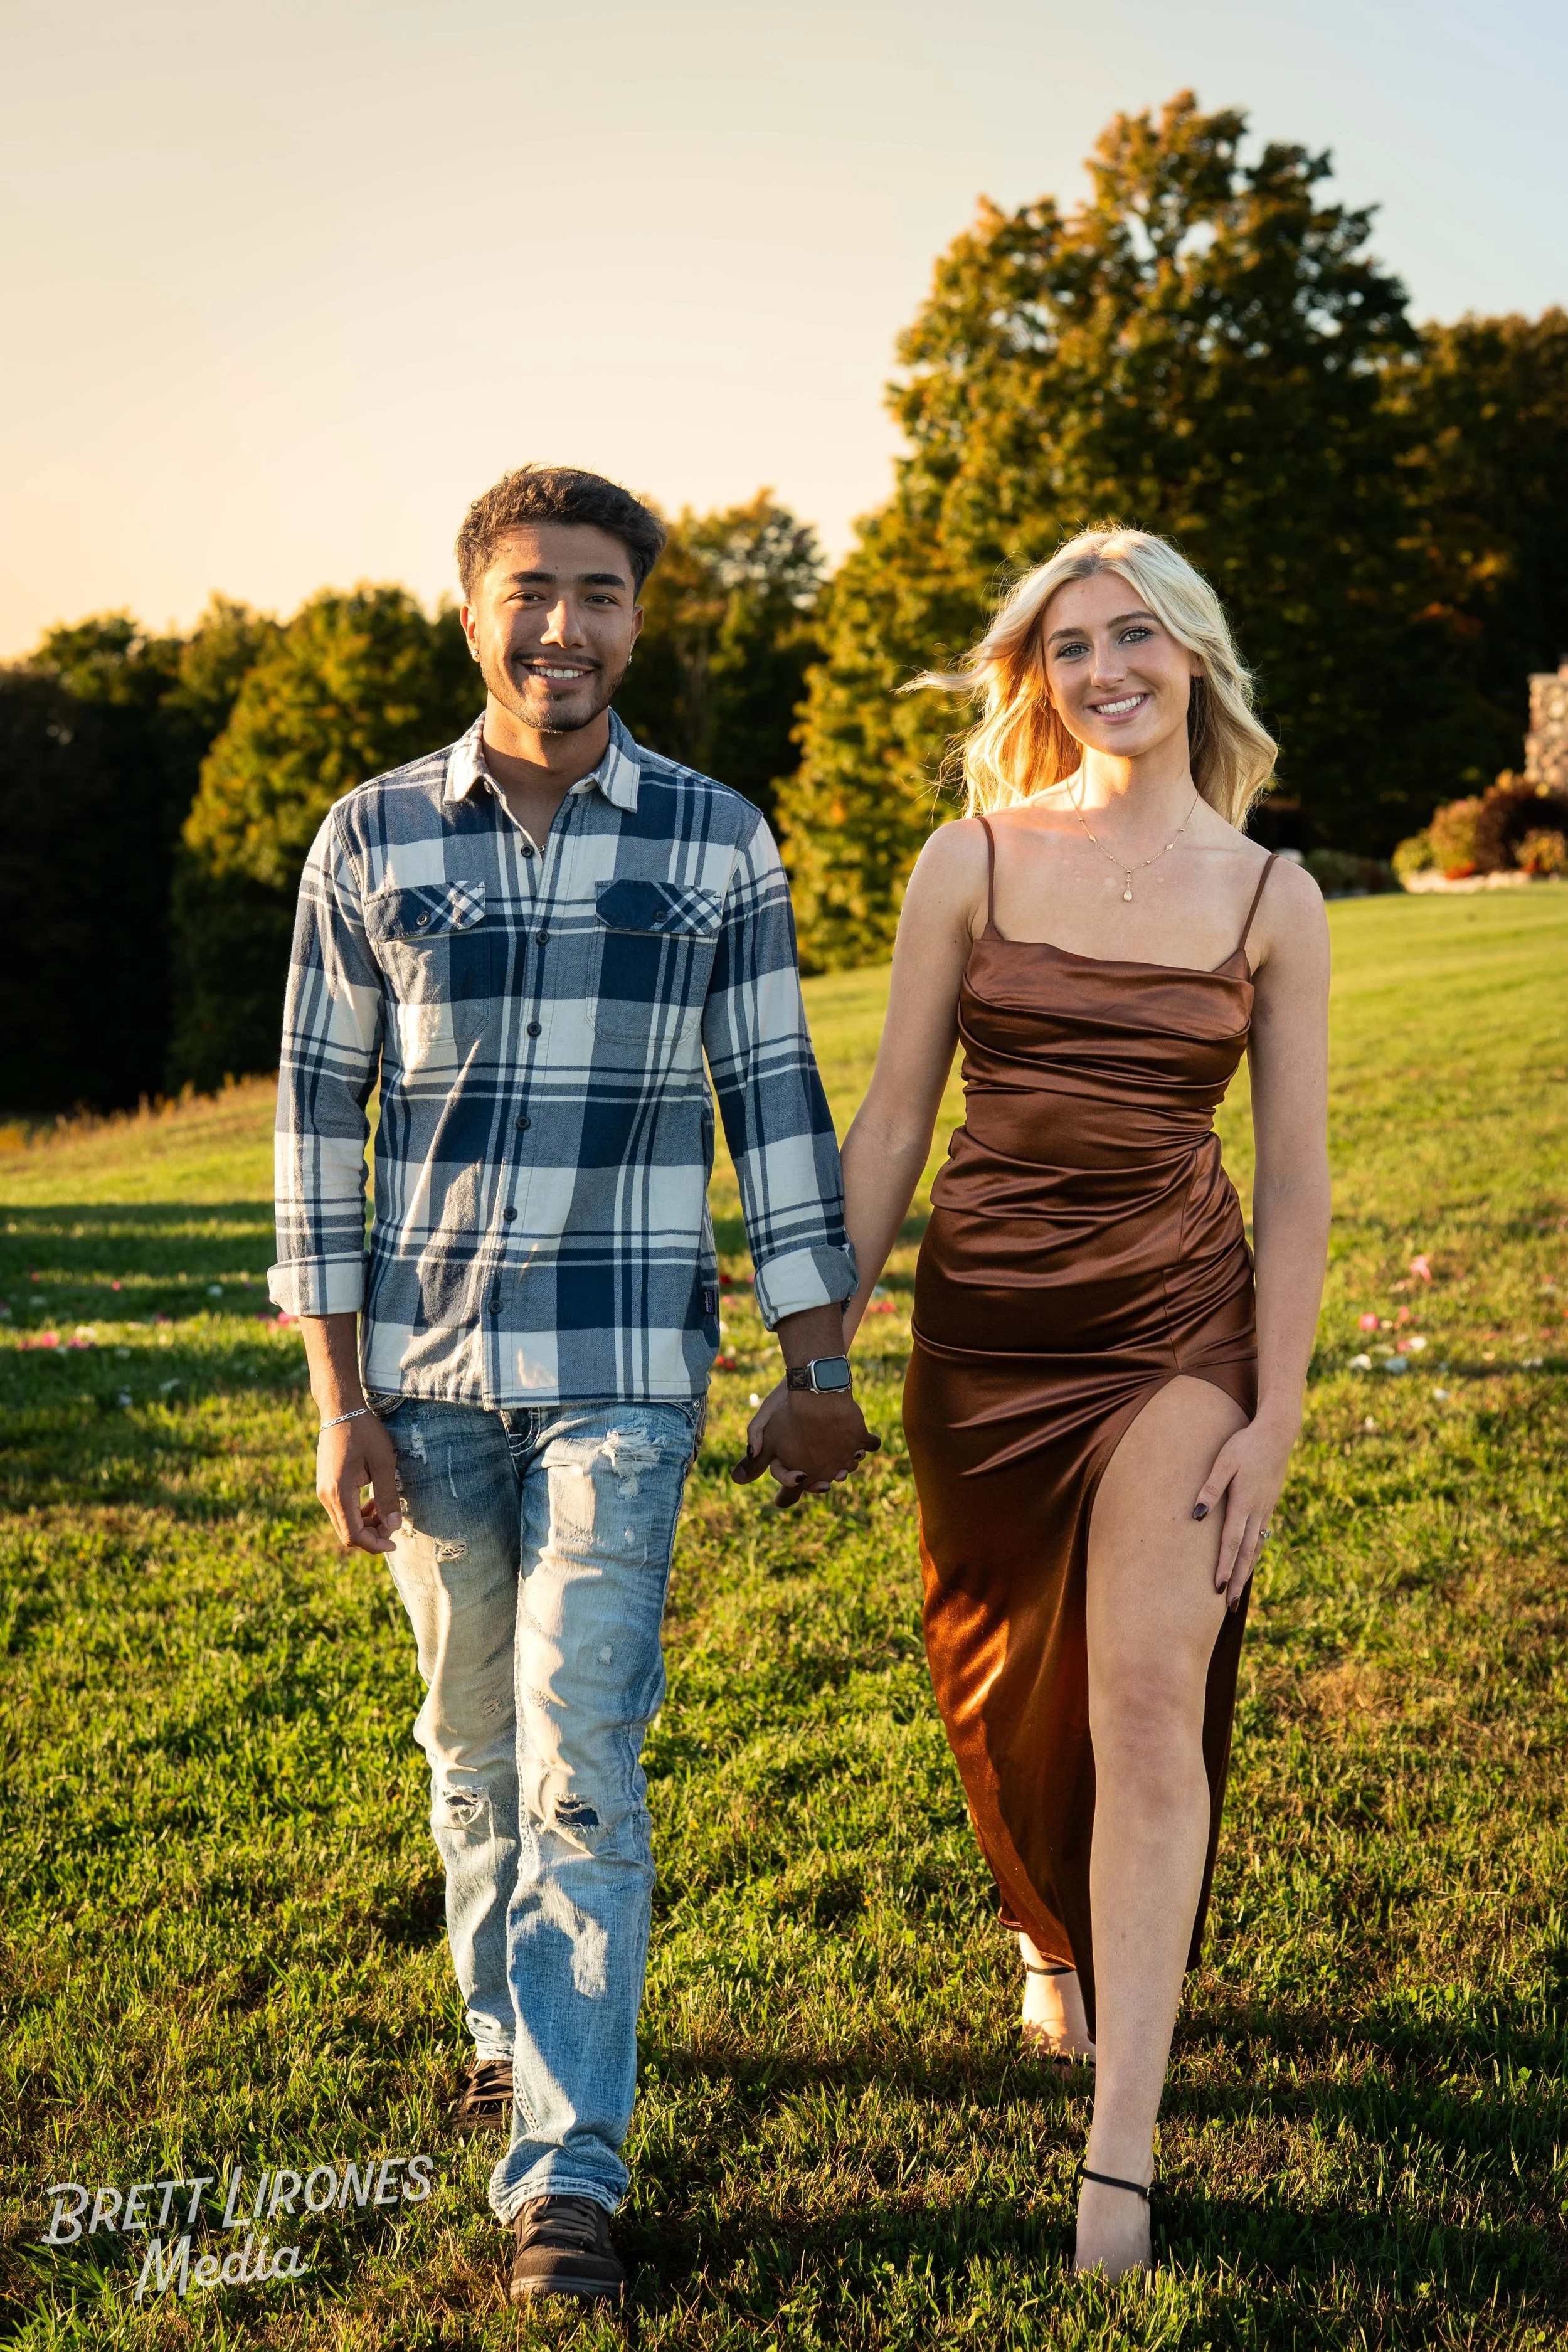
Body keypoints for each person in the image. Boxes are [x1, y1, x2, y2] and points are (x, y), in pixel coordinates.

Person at [268, 464, 877, 2306]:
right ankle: (498, 2016)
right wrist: (337, 1397)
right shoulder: (372, 839)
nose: (563, 627)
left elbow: (769, 1098)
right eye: (530, 592)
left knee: (578, 1758)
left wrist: (816, 1359)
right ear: (472, 611)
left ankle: (564, 2178)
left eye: (599, 594)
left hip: (623, 1368)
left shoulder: (713, 841)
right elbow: (316, 1132)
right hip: (427, 1375)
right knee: (470, 1748)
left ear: (638, 617)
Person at [751, 524, 1330, 2278]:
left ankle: (1122, 2152)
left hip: (1173, 1325)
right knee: (1002, 1691)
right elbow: (890, 1126)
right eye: (1071, 644)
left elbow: (1294, 1180)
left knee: (1146, 1704)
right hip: (983, 1344)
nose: (1104, 669)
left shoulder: (1265, 895)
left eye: (1134, 634)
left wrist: (1273, 1410)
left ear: (1194, 658)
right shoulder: (973, 859)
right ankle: (1045, 1935)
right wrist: (816, 1351)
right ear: (1034, 676)